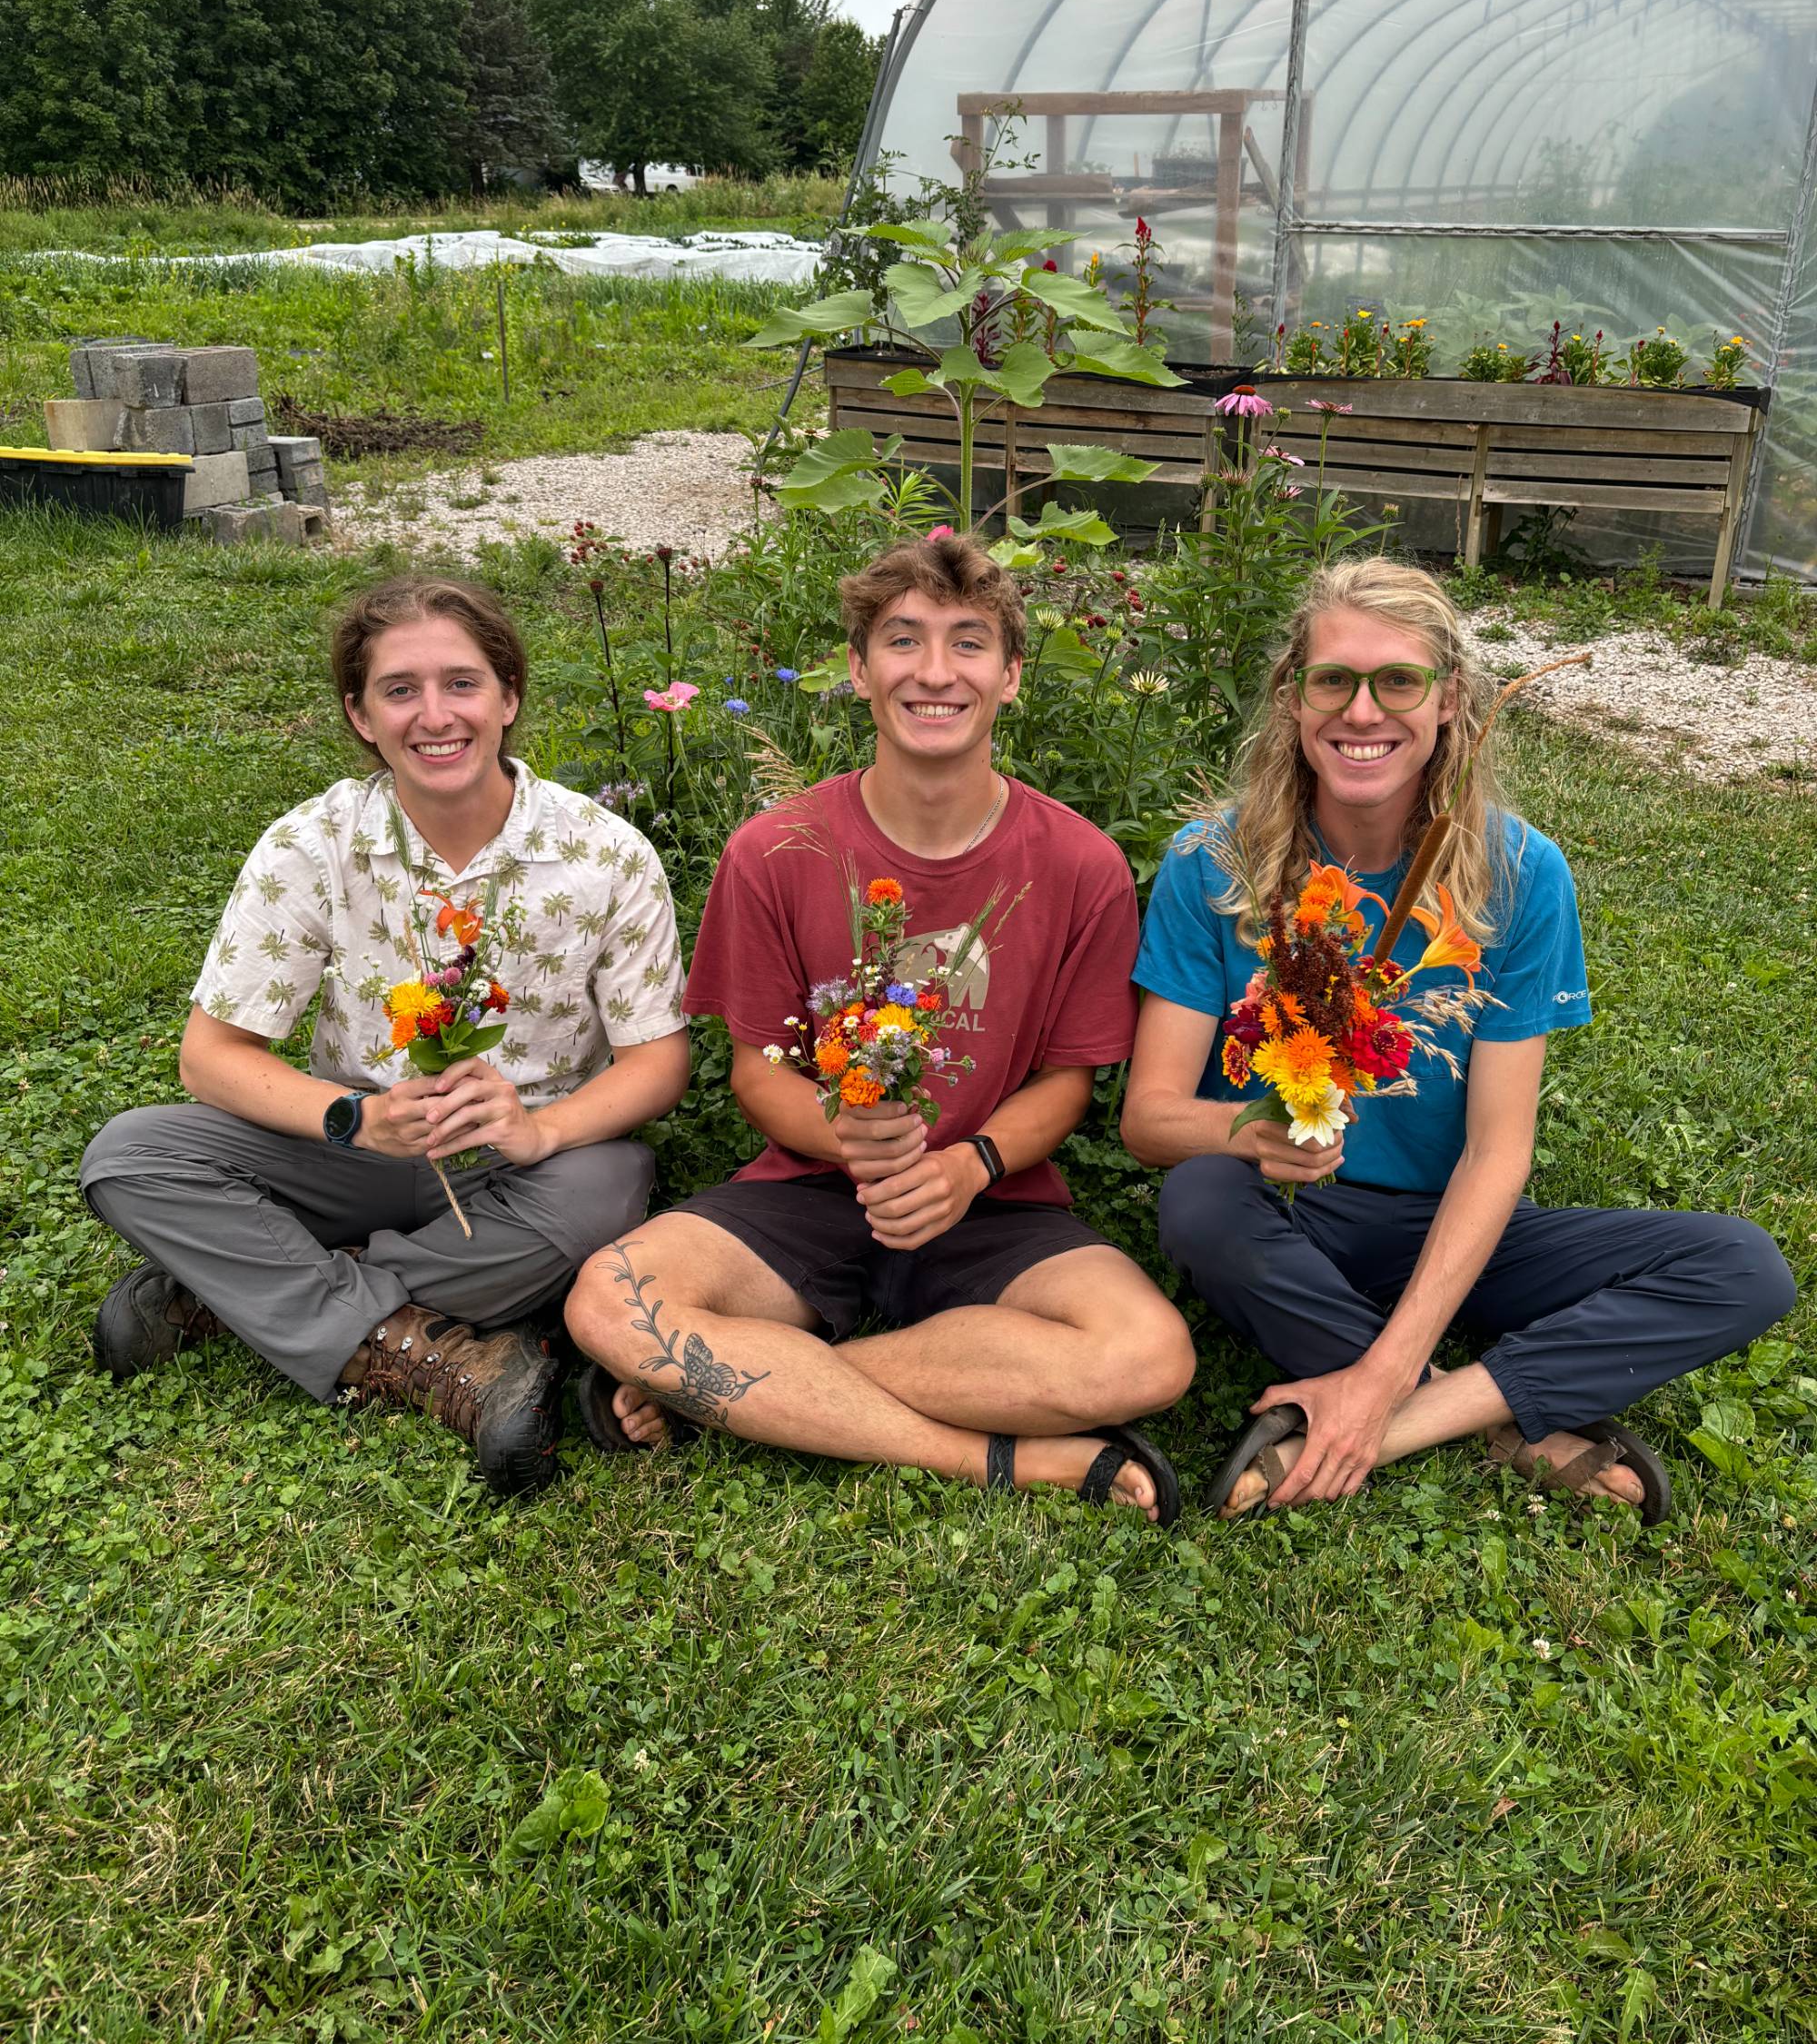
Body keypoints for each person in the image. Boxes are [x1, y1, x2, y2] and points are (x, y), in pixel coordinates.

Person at [1122, 555, 1794, 1525]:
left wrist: (1388, 1374)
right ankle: (1502, 1415)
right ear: (1291, 701)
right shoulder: (1212, 862)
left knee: (1740, 1265)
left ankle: (1401, 1416)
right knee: (1196, 1195)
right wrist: (1247, 1136)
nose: (1362, 711)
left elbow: (1497, 1147)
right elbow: (1147, 1119)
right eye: (1331, 680)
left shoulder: (1518, 871)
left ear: (1449, 704)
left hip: (1453, 1229)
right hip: (1291, 1215)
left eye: (1397, 680)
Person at [564, 535, 1195, 1520]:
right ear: (858, 671)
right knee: (609, 1297)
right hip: (811, 1189)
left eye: (968, 642)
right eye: (902, 639)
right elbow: (755, 1073)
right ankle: (996, 1457)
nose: (934, 671)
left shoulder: (1080, 863)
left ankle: (752, 1386)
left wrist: (968, 1164)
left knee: (1149, 1354)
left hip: (996, 1200)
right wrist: (849, 1139)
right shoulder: (773, 852)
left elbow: (1067, 1084)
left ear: (1011, 676)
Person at [81, 576, 690, 1497]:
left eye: (462, 683)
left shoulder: (604, 853)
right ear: (361, 715)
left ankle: (226, 1298)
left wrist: (542, 1131)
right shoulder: (311, 843)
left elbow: (658, 1059)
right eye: (399, 689)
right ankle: (430, 1344)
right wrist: (350, 1119)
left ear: (509, 695)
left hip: (519, 1168)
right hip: (351, 1152)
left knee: (611, 1187)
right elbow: (208, 1057)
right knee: (130, 1155)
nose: (433, 715)